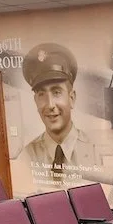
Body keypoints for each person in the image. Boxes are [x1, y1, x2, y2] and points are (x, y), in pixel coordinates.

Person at [21, 43, 97, 179]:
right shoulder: (27, 156)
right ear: (36, 101)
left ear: (72, 98)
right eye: (41, 94)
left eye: (56, 92)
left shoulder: (95, 150)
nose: (50, 105)